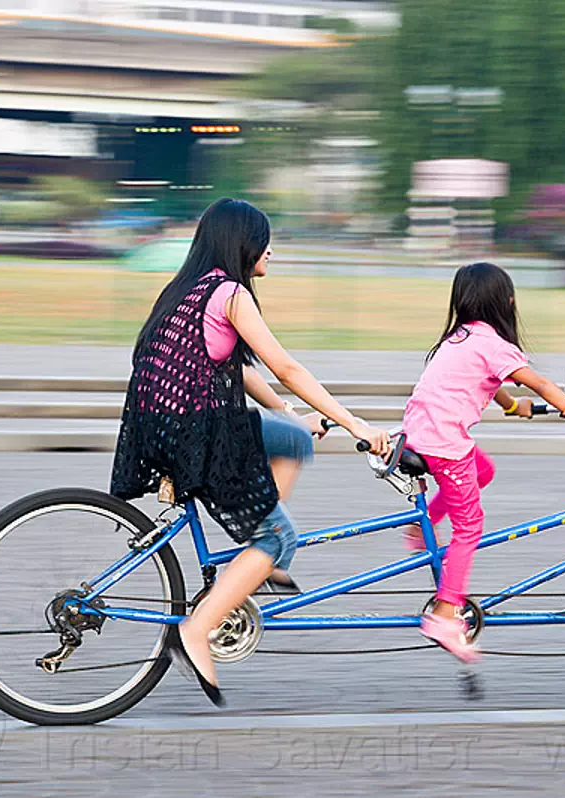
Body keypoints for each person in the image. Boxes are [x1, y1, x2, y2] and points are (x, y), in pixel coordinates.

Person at [110, 198, 390, 706]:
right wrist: (358, 425)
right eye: (264, 241)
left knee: (295, 439)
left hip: (162, 426)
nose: (271, 252)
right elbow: (286, 366)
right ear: (243, 244)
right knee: (281, 536)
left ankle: (260, 555)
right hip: (199, 429)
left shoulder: (185, 291)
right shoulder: (231, 293)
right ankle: (197, 629)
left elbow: (237, 369)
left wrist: (287, 415)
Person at [401, 262, 565, 662]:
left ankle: (422, 524)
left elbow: (491, 384)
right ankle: (445, 614)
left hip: (419, 434)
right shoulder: (495, 345)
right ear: (507, 302)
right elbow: (543, 384)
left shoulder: (458, 338)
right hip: (445, 444)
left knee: (484, 470)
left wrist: (515, 407)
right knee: (469, 528)